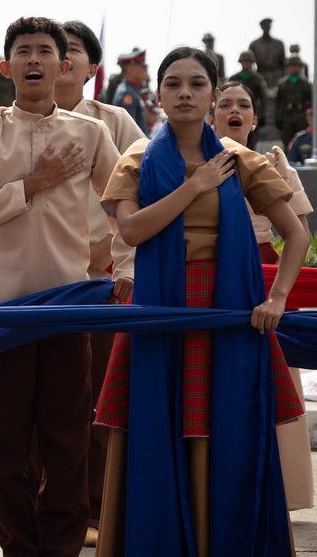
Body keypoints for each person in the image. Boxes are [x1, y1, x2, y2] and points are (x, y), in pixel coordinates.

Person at [94, 46, 309, 556]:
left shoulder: (243, 160)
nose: (184, 93)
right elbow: (132, 230)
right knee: (156, 424)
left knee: (225, 429)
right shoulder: (139, 157)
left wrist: (277, 298)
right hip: (160, 308)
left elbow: (295, 236)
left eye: (196, 84)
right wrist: (195, 186)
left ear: (213, 93)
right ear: (160, 94)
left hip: (228, 309)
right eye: (173, 84)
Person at [0, 17, 132, 557]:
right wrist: (31, 185)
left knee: (67, 444)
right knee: (4, 447)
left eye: (45, 52)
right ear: (6, 67)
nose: (35, 60)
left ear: (64, 66)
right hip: (2, 314)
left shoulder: (92, 133)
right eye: (24, 52)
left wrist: (123, 270)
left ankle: (58, 548)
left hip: (67, 310)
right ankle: (18, 549)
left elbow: (124, 212)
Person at [54, 20, 141, 549]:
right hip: (40, 287)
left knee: (99, 402)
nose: (59, 60)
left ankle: (97, 510)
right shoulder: (8, 125)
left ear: (91, 68)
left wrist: (117, 263)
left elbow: (140, 196)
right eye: (47, 50)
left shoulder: (115, 121)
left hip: (103, 286)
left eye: (71, 52)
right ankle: (52, 506)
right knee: (47, 405)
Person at [210, 80, 315, 514]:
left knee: (272, 389)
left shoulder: (276, 164)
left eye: (244, 105)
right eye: (225, 104)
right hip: (210, 281)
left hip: (262, 282)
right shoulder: (194, 163)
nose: (235, 111)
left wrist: (278, 294)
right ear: (210, 114)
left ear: (255, 118)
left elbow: (298, 234)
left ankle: (279, 493)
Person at [228, 50, 269, 139]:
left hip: (253, 111)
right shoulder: (234, 78)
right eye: (244, 62)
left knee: (252, 138)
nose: (246, 64)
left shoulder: (258, 78)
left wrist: (263, 115)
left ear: (252, 63)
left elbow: (263, 97)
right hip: (236, 110)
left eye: (248, 62)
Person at [275, 55, 313, 149]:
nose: (294, 68)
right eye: (291, 66)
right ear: (288, 67)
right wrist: (278, 117)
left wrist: (310, 117)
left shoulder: (306, 84)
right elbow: (278, 102)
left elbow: (312, 101)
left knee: (302, 142)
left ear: (300, 67)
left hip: (301, 117)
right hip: (287, 117)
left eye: (296, 66)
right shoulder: (282, 84)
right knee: (287, 143)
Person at [112, 48, 151, 135]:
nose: (146, 70)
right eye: (143, 67)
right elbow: (128, 130)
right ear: (132, 69)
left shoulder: (133, 90)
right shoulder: (127, 93)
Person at [250, 17, 287, 89]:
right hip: (260, 75)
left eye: (268, 26)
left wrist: (283, 77)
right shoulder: (254, 44)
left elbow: (283, 63)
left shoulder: (279, 43)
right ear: (261, 27)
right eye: (265, 26)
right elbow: (250, 63)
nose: (267, 28)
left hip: (276, 76)